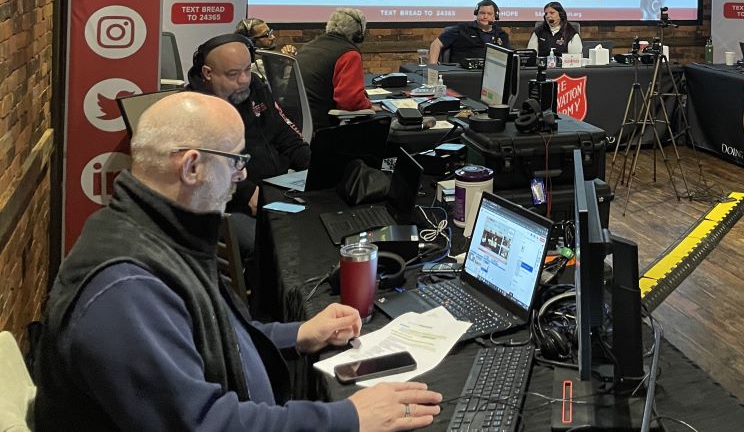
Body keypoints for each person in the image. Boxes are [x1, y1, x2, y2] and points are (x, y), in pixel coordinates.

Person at [34, 92, 442, 430]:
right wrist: (347, 417)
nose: (240, 175)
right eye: (235, 160)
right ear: (192, 166)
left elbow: (212, 336)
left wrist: (299, 333)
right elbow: (205, 423)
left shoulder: (154, 231)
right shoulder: (126, 289)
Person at [186, 33, 310, 253]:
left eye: (247, 70)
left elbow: (286, 137)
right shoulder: (191, 109)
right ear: (207, 73)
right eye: (233, 74)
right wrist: (246, 194)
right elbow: (204, 170)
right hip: (227, 205)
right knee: (279, 247)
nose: (244, 79)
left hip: (273, 190)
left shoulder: (255, 88)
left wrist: (316, 168)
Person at [296, 8, 375, 128]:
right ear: (358, 36)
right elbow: (350, 102)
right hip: (320, 126)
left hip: (294, 123)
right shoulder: (349, 54)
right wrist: (368, 105)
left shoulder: (308, 47)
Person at [429, 0, 510, 64]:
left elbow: (508, 57)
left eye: (489, 14)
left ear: (495, 16)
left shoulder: (501, 34)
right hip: (462, 73)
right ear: (476, 14)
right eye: (482, 13)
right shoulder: (463, 29)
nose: (485, 16)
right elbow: (436, 44)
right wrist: (432, 67)